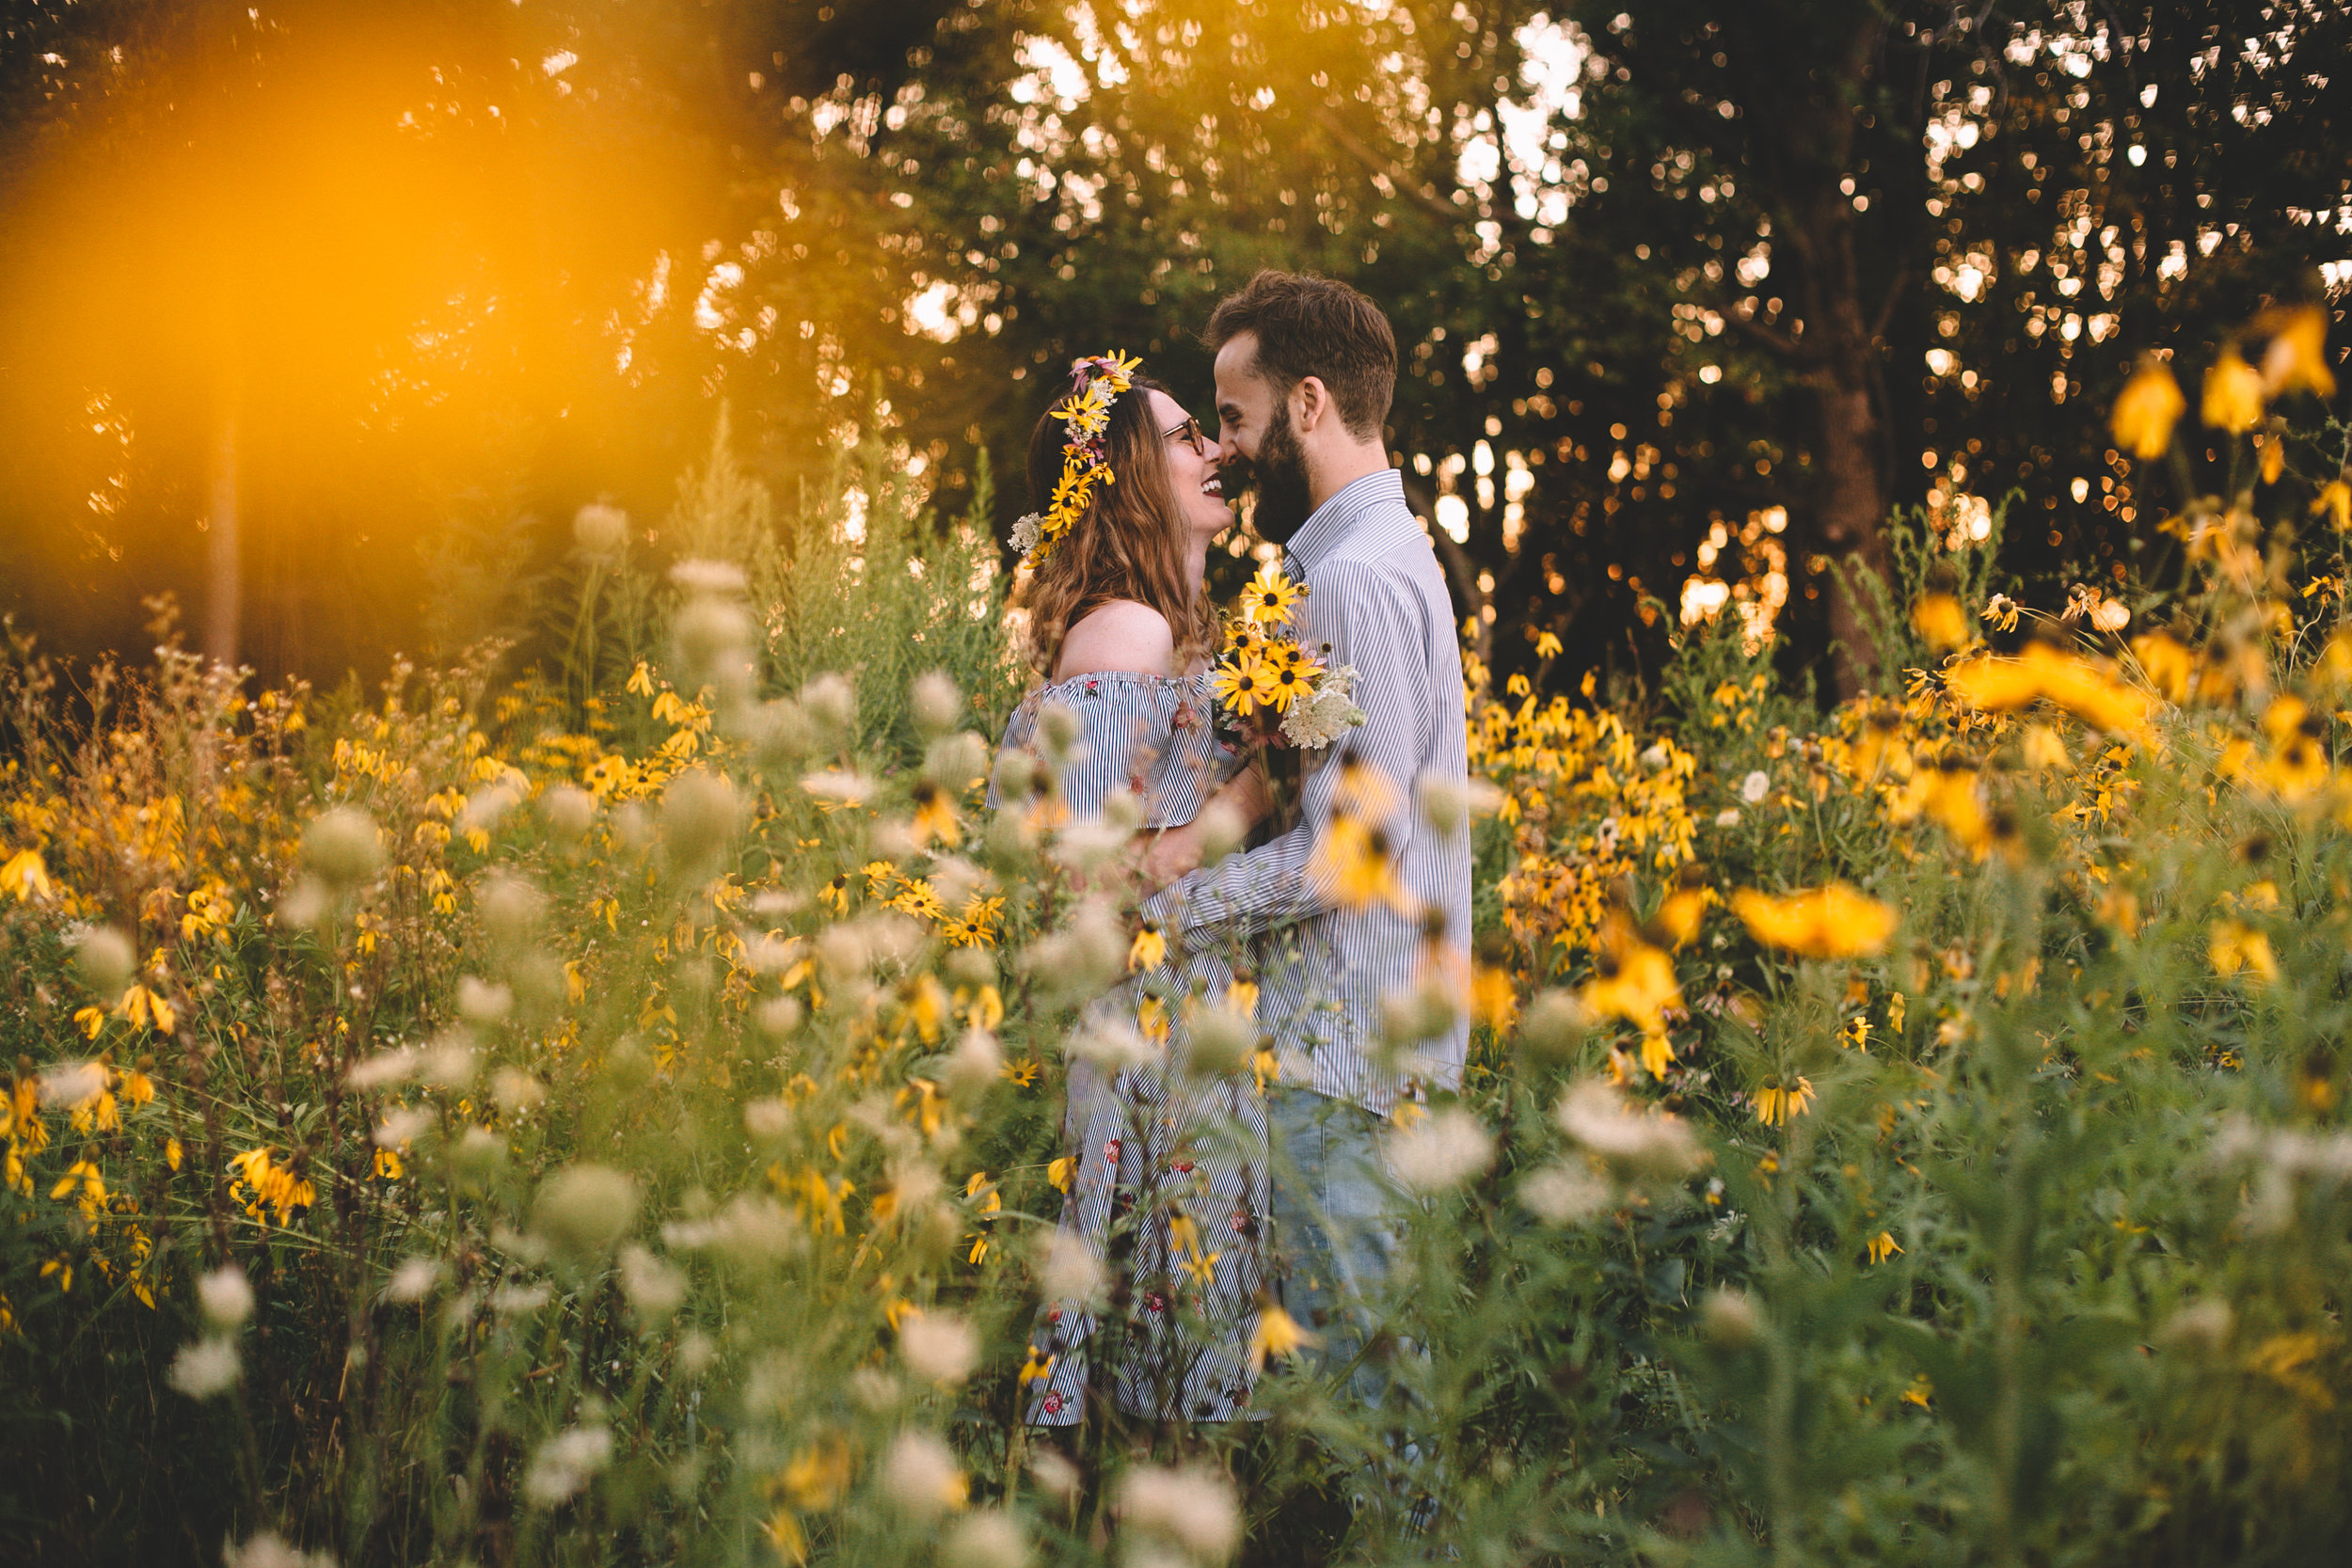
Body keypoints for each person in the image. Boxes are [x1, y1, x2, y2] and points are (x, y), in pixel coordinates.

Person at [1139, 272, 1472, 1510]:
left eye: (1234, 415)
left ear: (1310, 403)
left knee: (1381, 1427)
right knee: (1361, 1409)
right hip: (1355, 1039)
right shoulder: (1348, 560)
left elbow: (1352, 857)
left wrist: (1154, 903)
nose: (1224, 446)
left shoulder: (1360, 577)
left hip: (1354, 1049)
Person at [988, 354, 1276, 1430]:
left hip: (1178, 1021)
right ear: (1125, 478)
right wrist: (1241, 808)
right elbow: (1087, 884)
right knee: (1151, 1365)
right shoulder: (1128, 631)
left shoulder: (1160, 627)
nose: (1213, 451)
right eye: (1185, 435)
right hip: (1148, 1039)